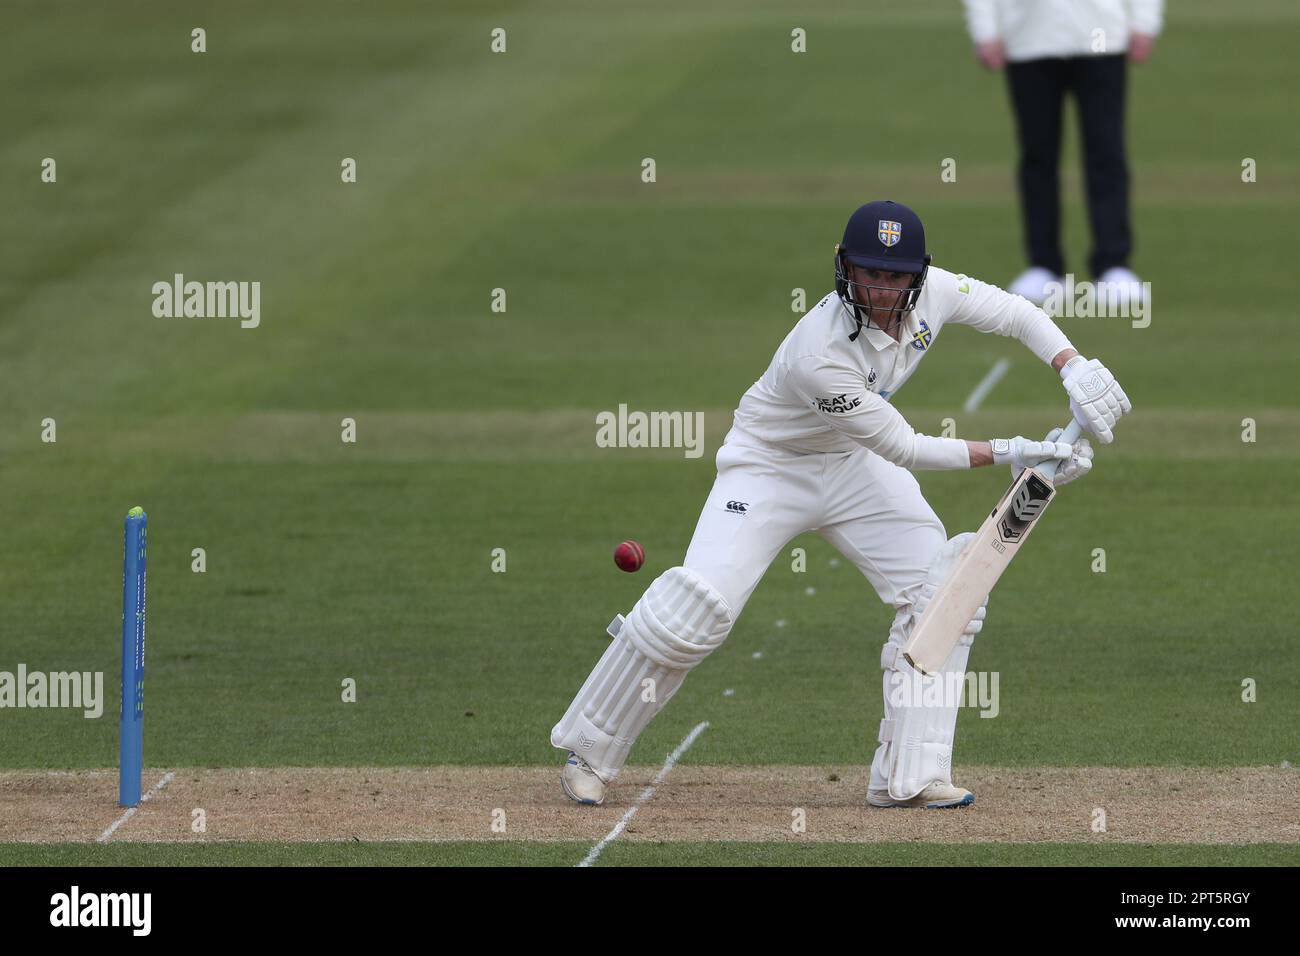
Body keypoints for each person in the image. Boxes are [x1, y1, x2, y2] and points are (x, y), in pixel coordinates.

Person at [552, 200, 1131, 808]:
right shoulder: (818, 354)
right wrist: (1018, 449)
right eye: (869, 274)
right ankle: (590, 750)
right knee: (696, 609)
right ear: (844, 269)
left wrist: (1073, 365)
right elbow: (903, 445)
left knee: (944, 595)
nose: (883, 290)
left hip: (855, 467)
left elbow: (1014, 312)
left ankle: (912, 776)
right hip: (770, 467)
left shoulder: (936, 291)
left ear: (918, 274)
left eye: (896, 276)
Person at [963, 0, 1164, 307]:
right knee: (1038, 157)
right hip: (1029, 39)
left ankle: (1113, 264)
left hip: (1102, 35)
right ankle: (1044, 266)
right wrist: (985, 30)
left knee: (1106, 153)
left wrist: (1145, 22)